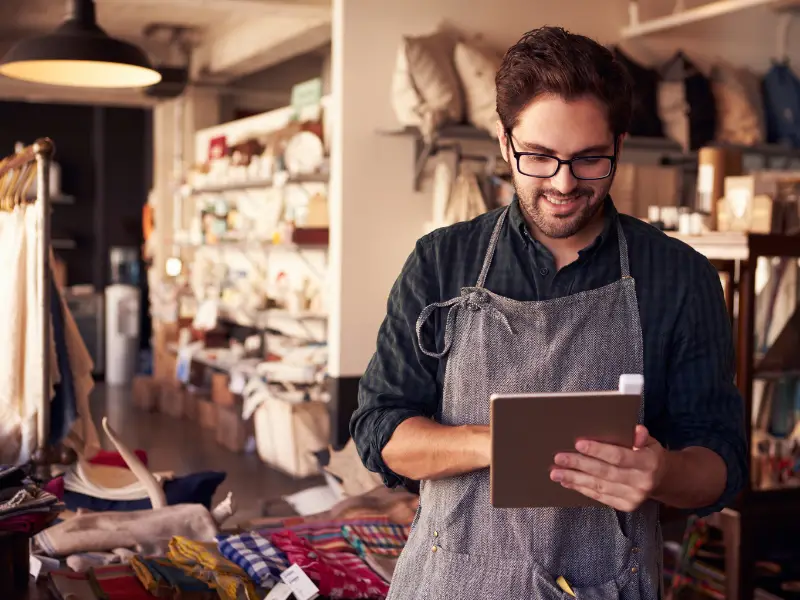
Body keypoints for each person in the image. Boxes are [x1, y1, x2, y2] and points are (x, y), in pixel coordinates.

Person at [351, 26, 747, 600]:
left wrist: (663, 474)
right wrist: (499, 443)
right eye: (539, 157)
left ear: (620, 142)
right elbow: (378, 431)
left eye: (591, 160)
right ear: (504, 142)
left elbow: (722, 461)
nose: (564, 183)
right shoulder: (441, 262)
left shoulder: (678, 277)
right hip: (451, 584)